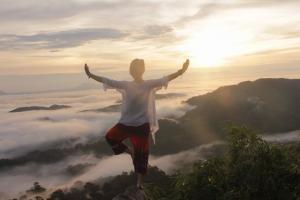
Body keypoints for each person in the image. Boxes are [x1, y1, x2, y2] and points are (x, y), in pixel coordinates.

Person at [84, 58, 189, 189]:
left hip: (142, 125)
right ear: (131, 71)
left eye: (138, 68)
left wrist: (181, 71)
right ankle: (130, 152)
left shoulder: (148, 84)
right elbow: (106, 80)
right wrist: (90, 74)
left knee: (142, 155)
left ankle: (139, 184)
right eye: (133, 69)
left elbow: (165, 78)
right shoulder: (127, 85)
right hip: (126, 123)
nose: (135, 71)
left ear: (142, 70)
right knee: (110, 137)